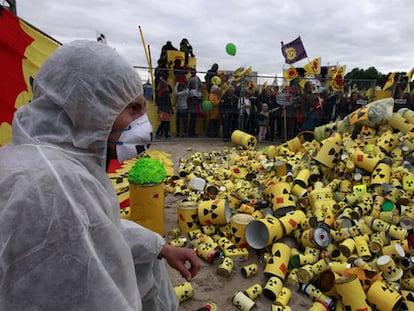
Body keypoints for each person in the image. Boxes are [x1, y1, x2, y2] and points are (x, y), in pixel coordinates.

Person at [0, 40, 200, 311]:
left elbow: (100, 230)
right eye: (134, 109)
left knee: (145, 265)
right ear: (90, 107)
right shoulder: (57, 185)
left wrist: (159, 247)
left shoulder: (49, 161)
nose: (144, 124)